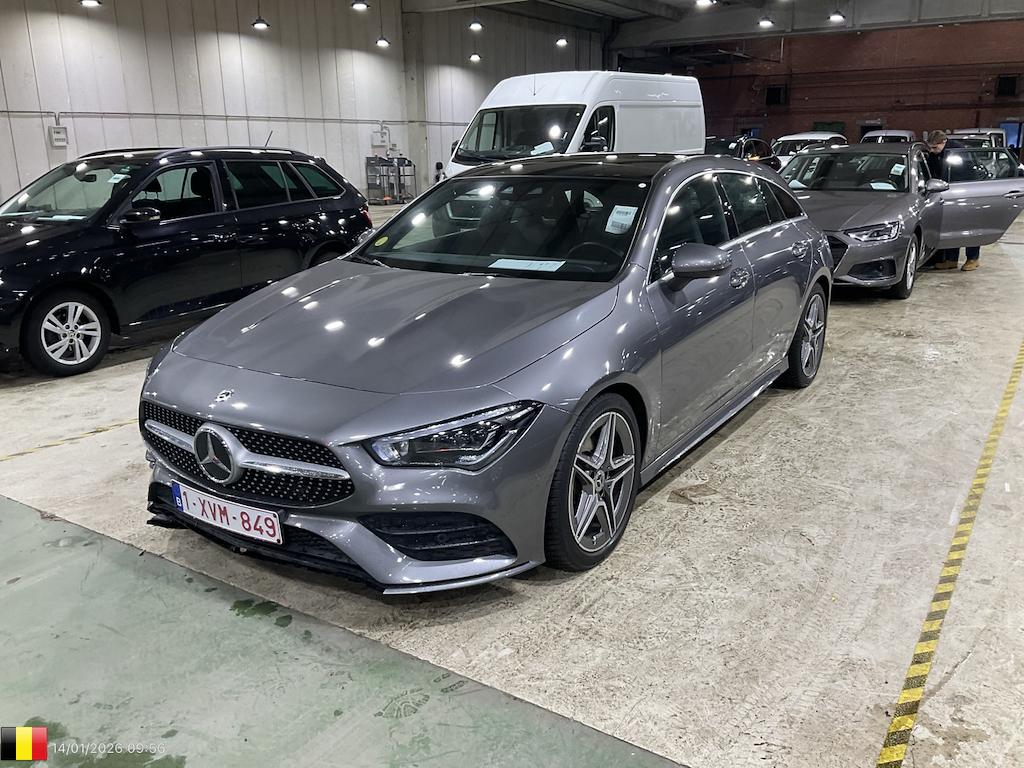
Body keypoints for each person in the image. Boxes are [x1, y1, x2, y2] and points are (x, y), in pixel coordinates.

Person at [924, 130, 980, 271]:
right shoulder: (935, 154)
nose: (932, 150)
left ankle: (973, 259)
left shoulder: (959, 152)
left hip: (965, 194)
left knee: (968, 227)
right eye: (930, 147)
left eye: (935, 147)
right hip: (947, 194)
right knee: (951, 227)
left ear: (944, 142)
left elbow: (967, 173)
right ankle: (951, 260)